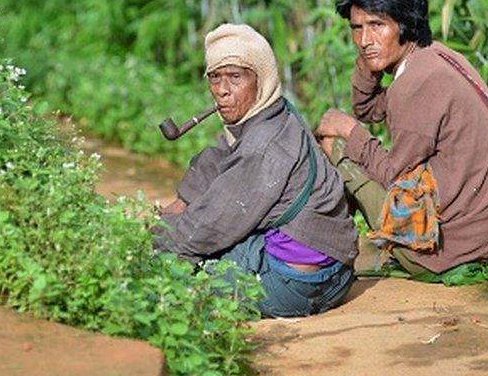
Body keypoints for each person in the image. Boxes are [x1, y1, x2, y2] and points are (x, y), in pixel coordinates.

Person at [315, 0, 488, 276]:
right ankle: (345, 247)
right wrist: (367, 67)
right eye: (357, 28)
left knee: (334, 143)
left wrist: (347, 130)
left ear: (405, 24)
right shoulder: (434, 57)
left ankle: (329, 254)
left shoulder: (417, 83)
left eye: (377, 26)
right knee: (348, 139)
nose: (364, 39)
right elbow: (370, 109)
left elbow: (392, 175)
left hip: (454, 249)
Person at [153, 23, 358, 317]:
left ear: (261, 79)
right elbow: (218, 155)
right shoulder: (278, 112)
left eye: (235, 77)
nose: (222, 91)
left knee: (187, 265)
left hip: (298, 286)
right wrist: (177, 207)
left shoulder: (264, 144)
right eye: (215, 78)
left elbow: (207, 228)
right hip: (336, 272)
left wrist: (148, 239)